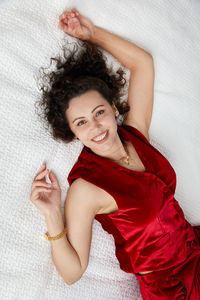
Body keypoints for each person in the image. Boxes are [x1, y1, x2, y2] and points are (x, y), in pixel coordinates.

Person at [31, 8, 200, 299]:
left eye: (99, 112)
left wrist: (91, 34)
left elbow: (142, 64)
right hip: (172, 290)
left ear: (114, 108)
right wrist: (51, 214)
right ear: (72, 131)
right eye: (81, 123)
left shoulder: (135, 134)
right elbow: (73, 272)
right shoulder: (86, 188)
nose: (96, 127)